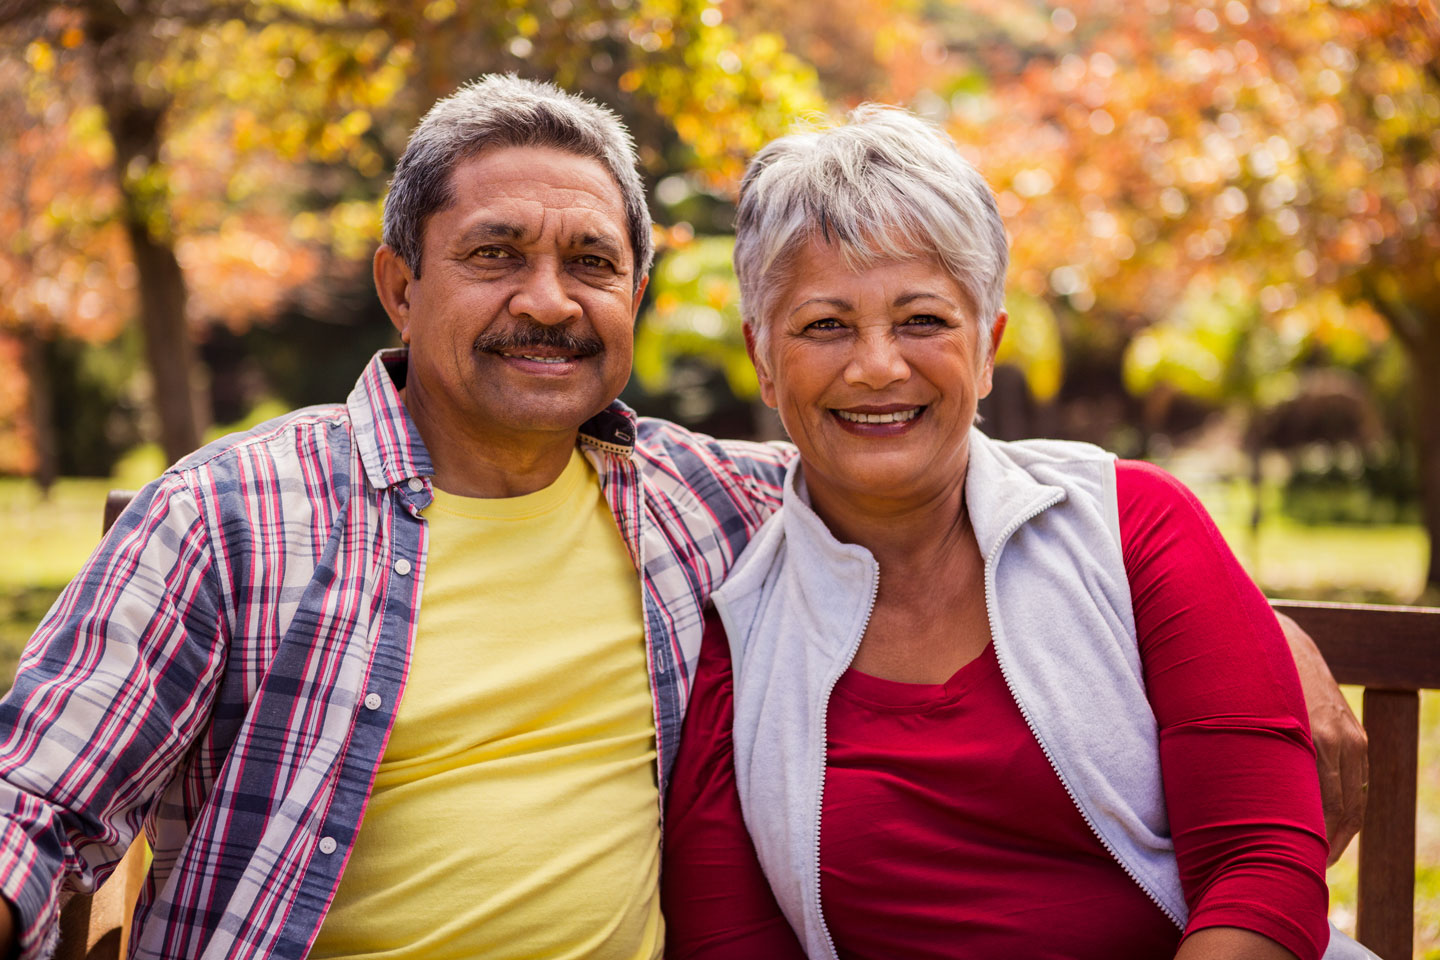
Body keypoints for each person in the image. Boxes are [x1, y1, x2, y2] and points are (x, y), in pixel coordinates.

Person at [0, 78, 1360, 960]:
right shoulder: (237, 518)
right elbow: (32, 802)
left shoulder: (698, 513)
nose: (549, 298)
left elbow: (934, 489)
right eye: (495, 256)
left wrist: (1257, 637)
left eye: (591, 261)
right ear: (397, 287)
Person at [660, 106, 1375, 960]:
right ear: (764, 361)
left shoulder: (1132, 524)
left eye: (923, 319)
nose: (879, 364)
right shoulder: (737, 627)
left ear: (989, 345)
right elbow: (731, 940)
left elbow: (1259, 868)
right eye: (826, 325)